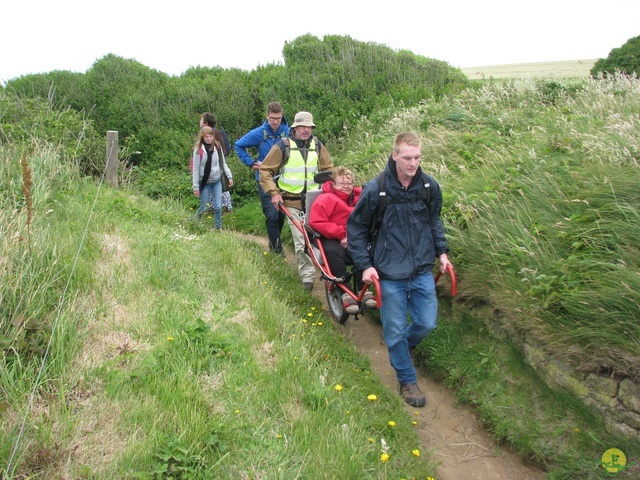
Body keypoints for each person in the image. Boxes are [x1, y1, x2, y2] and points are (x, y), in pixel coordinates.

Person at [347, 132, 452, 408]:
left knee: (427, 323)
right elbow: (356, 229)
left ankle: (402, 348)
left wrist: (442, 253)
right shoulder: (376, 189)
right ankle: (406, 379)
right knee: (393, 330)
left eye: (417, 157)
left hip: (420, 269)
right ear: (394, 156)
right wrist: (365, 266)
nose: (413, 163)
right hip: (388, 273)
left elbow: (434, 222)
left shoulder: (429, 186)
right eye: (407, 157)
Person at [259, 111, 333, 290]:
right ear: (295, 128)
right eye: (302, 126)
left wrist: (330, 190)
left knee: (322, 238)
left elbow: (329, 169)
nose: (306, 130)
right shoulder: (283, 145)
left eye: (309, 127)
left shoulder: (318, 145)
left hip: (315, 202)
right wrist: (274, 193)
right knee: (301, 241)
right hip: (291, 202)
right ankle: (307, 277)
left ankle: (328, 272)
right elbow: (265, 171)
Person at [307, 166, 376, 313]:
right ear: (333, 184)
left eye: (349, 183)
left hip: (354, 235)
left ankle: (364, 289)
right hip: (330, 235)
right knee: (334, 252)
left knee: (363, 250)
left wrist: (352, 236)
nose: (346, 186)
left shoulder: (361, 197)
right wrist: (341, 234)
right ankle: (345, 291)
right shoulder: (325, 199)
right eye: (341, 183)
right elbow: (317, 222)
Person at [235, 102, 289, 253]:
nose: (275, 121)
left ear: (282, 116)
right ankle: (278, 251)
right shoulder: (259, 133)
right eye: (272, 118)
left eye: (278, 118)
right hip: (264, 178)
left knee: (281, 215)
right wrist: (250, 163)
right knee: (271, 214)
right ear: (267, 116)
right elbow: (238, 145)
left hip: (283, 179)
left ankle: (273, 243)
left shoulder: (288, 133)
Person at [192, 126, 233, 228]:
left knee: (218, 207)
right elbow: (195, 170)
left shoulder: (217, 148)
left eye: (210, 136)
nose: (209, 139)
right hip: (204, 182)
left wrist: (229, 176)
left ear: (213, 137)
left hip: (217, 181)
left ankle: (217, 228)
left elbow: (223, 163)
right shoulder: (198, 151)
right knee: (204, 206)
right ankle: (195, 222)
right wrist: (195, 187)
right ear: (202, 138)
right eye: (206, 137)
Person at [200, 112, 233, 214]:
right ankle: (210, 208)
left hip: (217, 166)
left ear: (205, 123)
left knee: (223, 188)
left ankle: (227, 208)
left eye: (201, 120)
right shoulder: (205, 134)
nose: (199, 122)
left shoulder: (215, 134)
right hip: (208, 168)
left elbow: (220, 150)